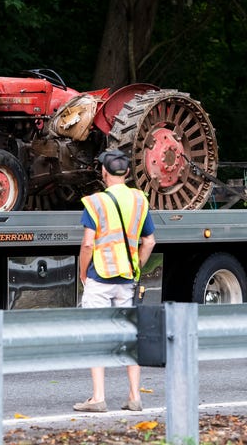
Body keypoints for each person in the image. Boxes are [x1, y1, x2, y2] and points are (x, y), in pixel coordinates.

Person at [73, 149, 156, 413]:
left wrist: (82, 271)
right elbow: (149, 241)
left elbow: (88, 244)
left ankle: (98, 397)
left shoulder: (96, 202)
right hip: (126, 278)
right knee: (130, 335)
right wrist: (136, 266)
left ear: (103, 172)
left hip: (100, 276)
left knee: (97, 334)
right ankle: (134, 397)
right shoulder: (139, 200)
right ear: (128, 173)